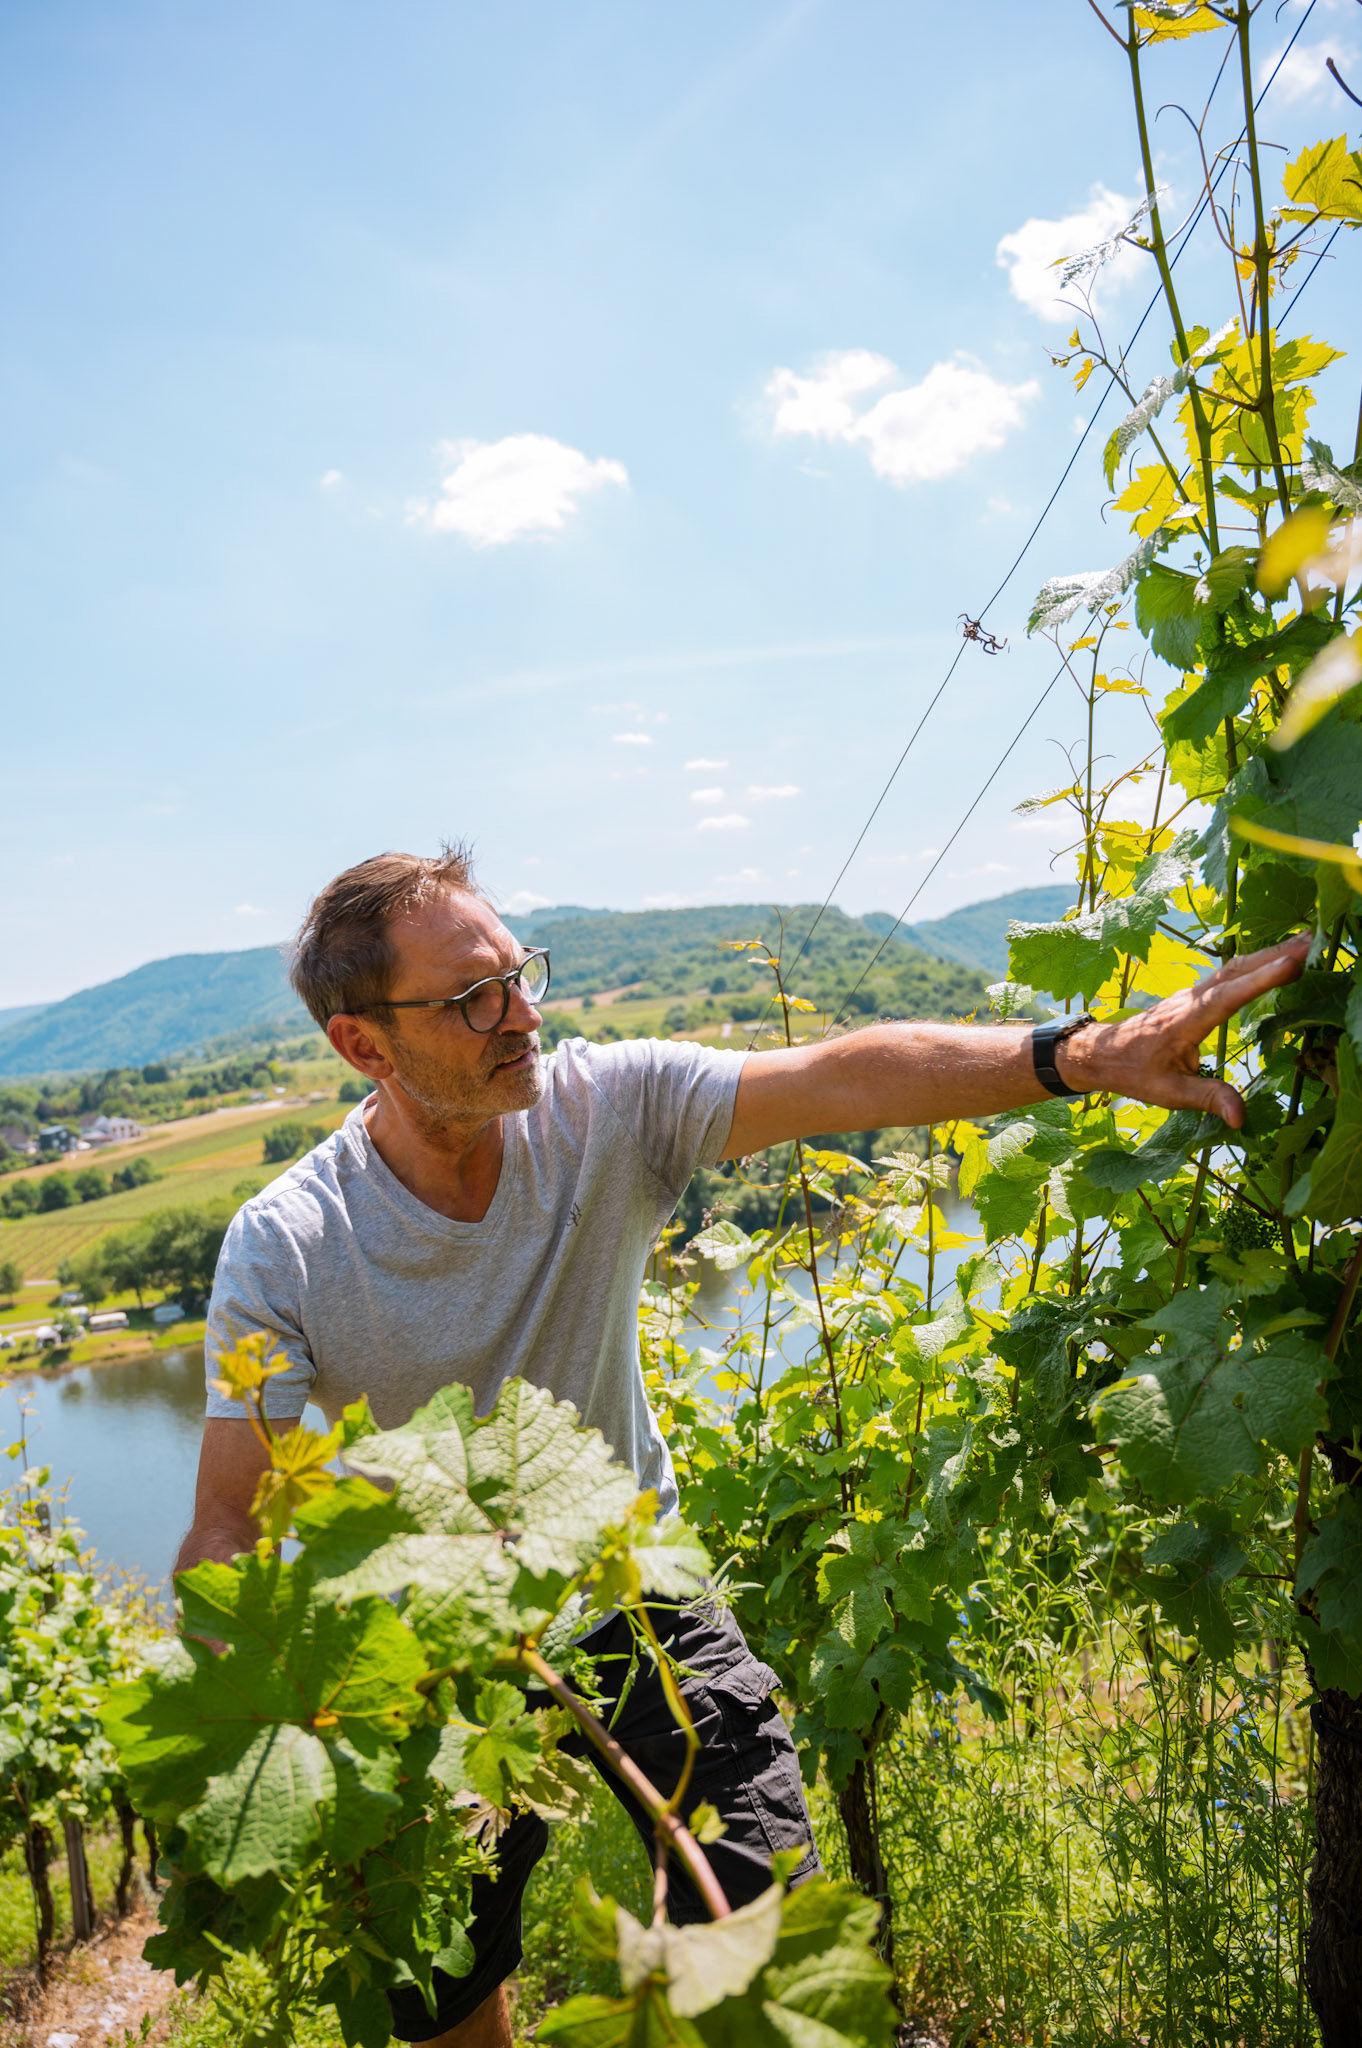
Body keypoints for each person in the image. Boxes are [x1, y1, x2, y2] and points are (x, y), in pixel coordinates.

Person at [180, 845, 1306, 2048]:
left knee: (757, 1918)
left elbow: (839, 1076)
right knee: (444, 1983)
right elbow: (230, 1524)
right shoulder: (289, 1244)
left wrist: (1081, 1054)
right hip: (432, 1653)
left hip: (631, 1582)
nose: (522, 1014)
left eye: (520, 972)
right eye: (472, 999)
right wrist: (270, 1728)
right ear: (364, 1045)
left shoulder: (601, 1103)